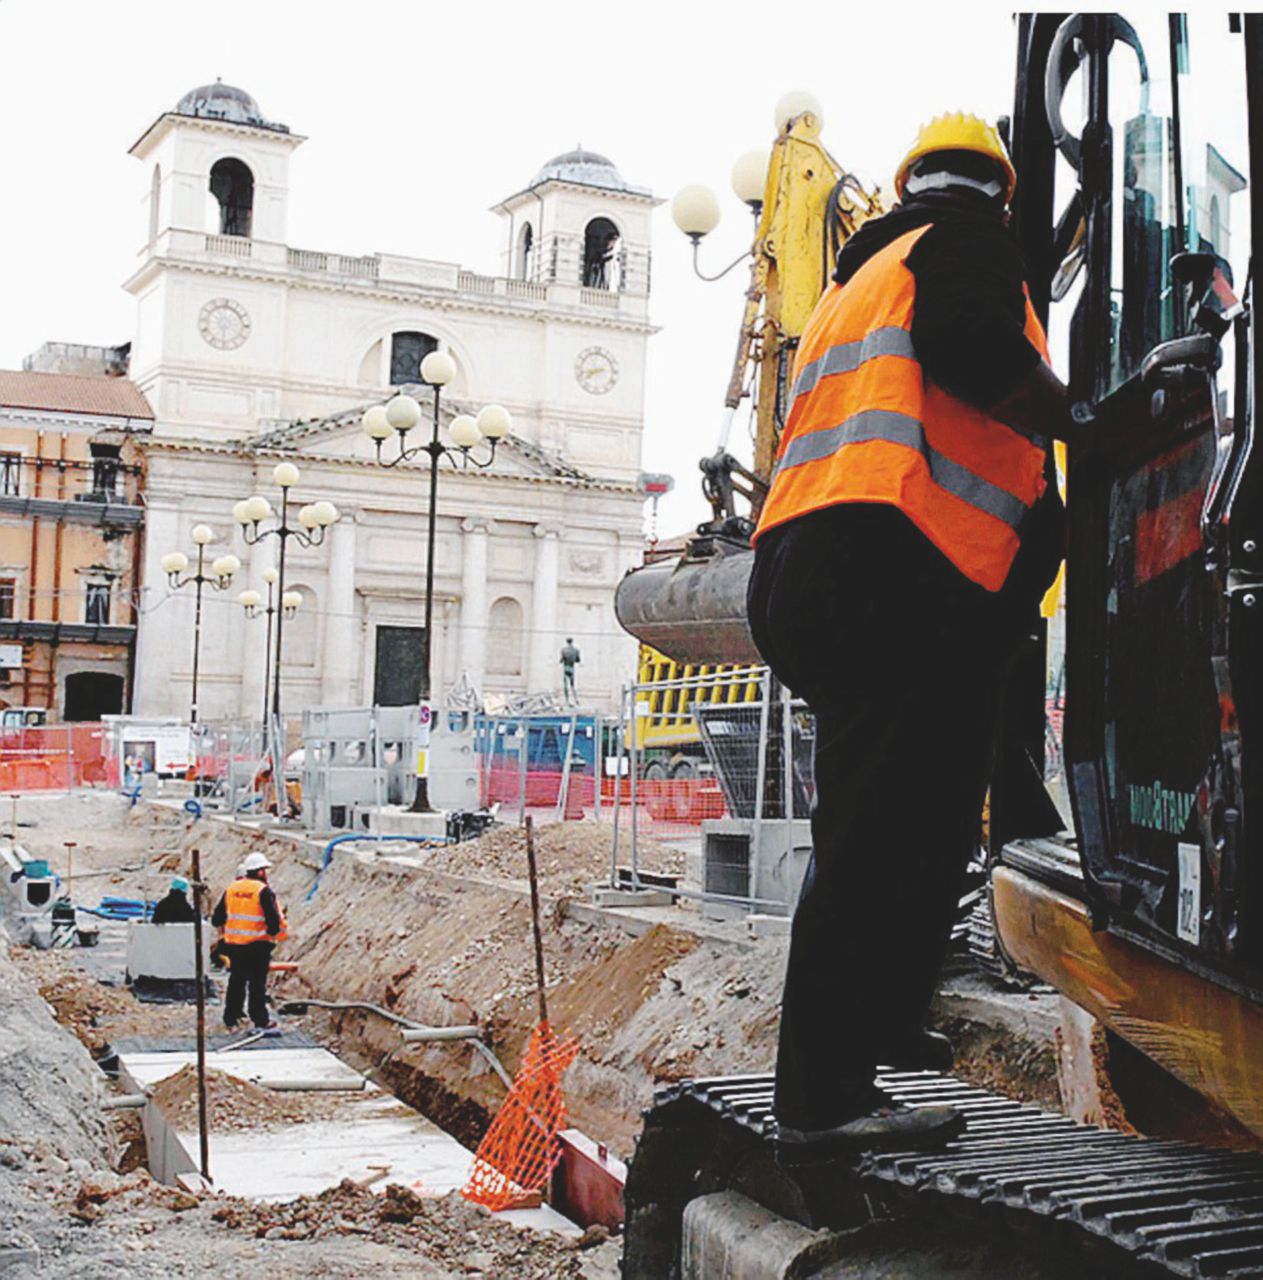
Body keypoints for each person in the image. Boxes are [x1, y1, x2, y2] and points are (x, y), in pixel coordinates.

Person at [747, 113, 1079, 1153]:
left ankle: (883, 1017)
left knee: (929, 817)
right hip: (887, 573)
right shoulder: (964, 244)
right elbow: (973, 349)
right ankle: (821, 1099)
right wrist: (1086, 422)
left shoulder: (858, 280)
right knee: (876, 834)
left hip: (817, 572)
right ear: (1000, 195)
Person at [210, 851, 287, 1031]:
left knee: (236, 981)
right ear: (260, 871)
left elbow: (217, 918)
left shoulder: (232, 889)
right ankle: (260, 1019)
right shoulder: (262, 890)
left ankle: (231, 1016)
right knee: (257, 984)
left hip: (234, 945)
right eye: (264, 870)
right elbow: (273, 921)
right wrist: (273, 934)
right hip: (257, 945)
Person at [559, 638, 581, 704]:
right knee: (572, 685)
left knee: (565, 685)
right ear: (572, 642)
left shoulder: (563, 650)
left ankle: (567, 700)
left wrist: (564, 659)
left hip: (566, 668)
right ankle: (576, 698)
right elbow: (578, 660)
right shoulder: (576, 650)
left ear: (567, 642)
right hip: (571, 669)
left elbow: (561, 660)